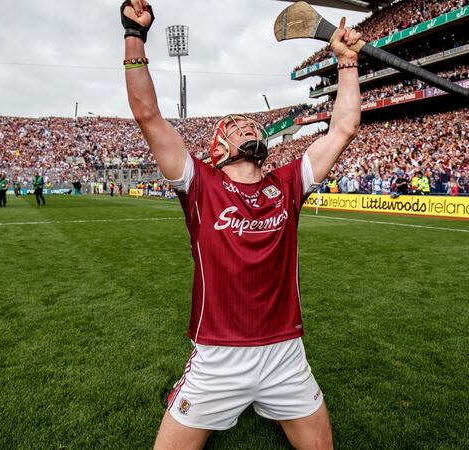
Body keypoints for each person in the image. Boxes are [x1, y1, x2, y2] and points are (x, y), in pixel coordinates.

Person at [121, 1, 361, 448]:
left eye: (253, 125)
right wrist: (133, 37)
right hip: (218, 357)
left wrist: (346, 62)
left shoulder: (289, 183)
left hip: (285, 355)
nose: (250, 128)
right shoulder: (199, 184)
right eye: (237, 127)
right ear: (219, 146)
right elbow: (148, 115)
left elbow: (343, 127)